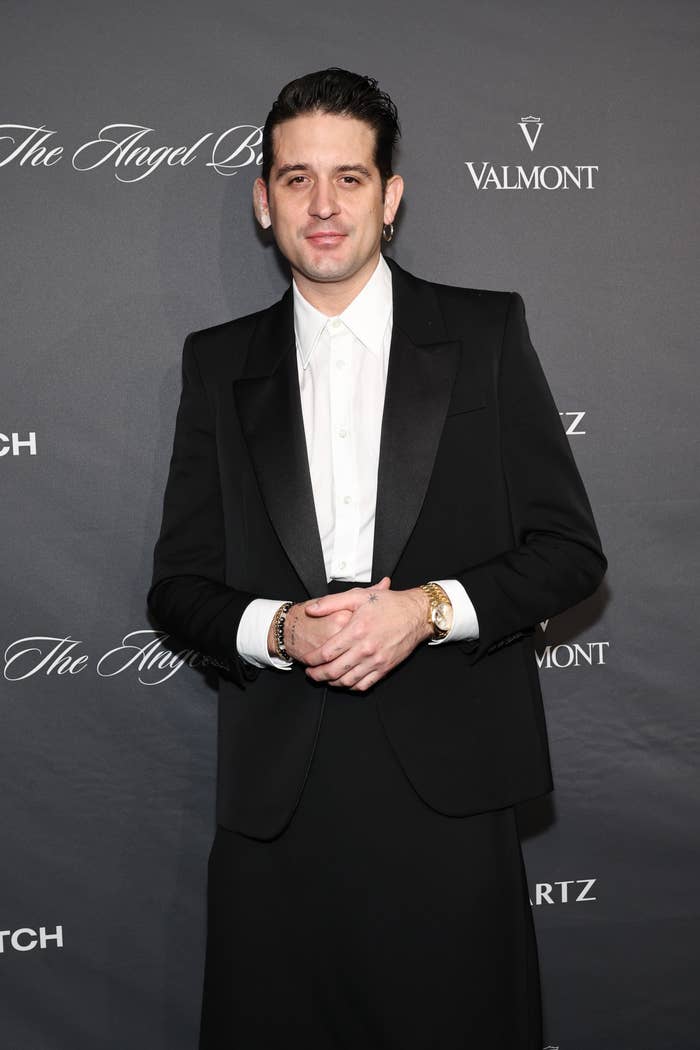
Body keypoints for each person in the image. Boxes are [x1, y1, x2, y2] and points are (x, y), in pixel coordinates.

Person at [148, 67, 606, 1049]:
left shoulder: (483, 334)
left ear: (390, 198)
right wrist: (272, 628)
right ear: (262, 202)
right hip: (282, 787)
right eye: (297, 178)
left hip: (448, 780)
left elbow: (568, 554)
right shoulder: (216, 363)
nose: (323, 205)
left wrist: (426, 608)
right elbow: (179, 587)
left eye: (349, 179)